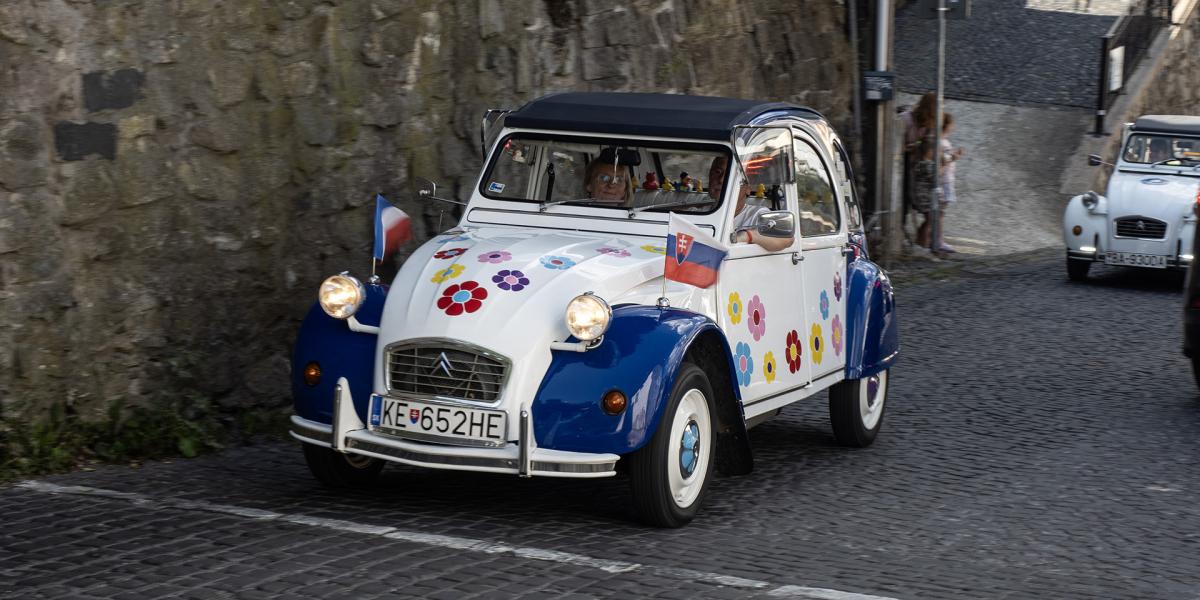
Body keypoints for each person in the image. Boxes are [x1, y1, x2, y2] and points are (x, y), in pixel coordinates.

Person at [708, 156, 792, 251]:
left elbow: (787, 238)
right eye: (717, 172)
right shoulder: (698, 211)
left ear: (748, 188)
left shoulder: (757, 215)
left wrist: (748, 236)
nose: (721, 179)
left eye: (731, 175)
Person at [936, 113, 964, 253]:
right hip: (943, 181)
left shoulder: (942, 141)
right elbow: (943, 160)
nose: (953, 127)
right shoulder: (941, 142)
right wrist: (954, 157)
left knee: (940, 213)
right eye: (952, 124)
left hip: (945, 180)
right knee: (939, 213)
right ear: (946, 126)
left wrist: (953, 155)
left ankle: (935, 239)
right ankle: (938, 241)